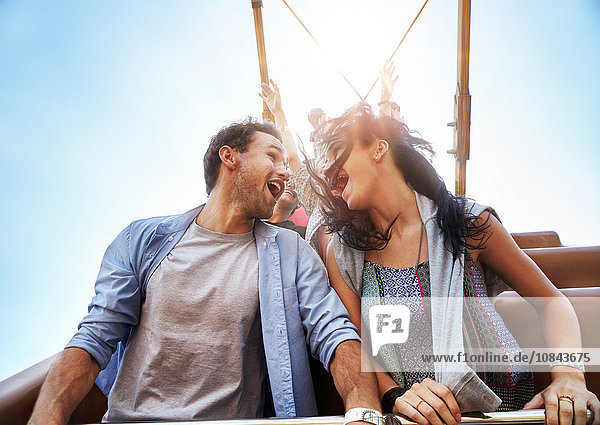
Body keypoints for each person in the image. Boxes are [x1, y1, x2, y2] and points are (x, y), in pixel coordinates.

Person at [27, 118, 383, 425]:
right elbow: (94, 338)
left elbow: (335, 333)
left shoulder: (293, 252)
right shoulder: (141, 239)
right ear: (229, 157)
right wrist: (47, 417)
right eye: (272, 155)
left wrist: (365, 412)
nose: (286, 170)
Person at [308, 104, 600, 425]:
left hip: (512, 413)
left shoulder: (468, 221)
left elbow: (551, 302)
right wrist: (396, 396)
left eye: (337, 150)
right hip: (421, 419)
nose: (326, 169)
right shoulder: (344, 253)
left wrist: (570, 376)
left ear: (379, 148)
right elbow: (362, 347)